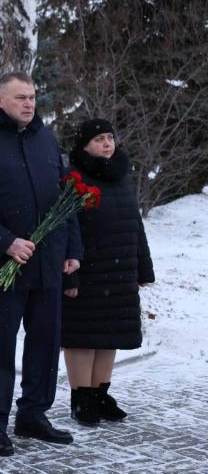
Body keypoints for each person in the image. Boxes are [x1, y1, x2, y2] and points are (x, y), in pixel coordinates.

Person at [0, 72, 82, 457]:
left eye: (33, 97)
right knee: (0, 346)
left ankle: (33, 414)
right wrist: (5, 241)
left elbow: (64, 199)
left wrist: (72, 248)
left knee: (45, 343)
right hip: (1, 267)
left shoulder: (45, 139)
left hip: (48, 264)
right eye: (20, 97)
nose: (29, 103)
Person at [62, 119, 155, 426]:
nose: (107, 143)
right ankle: (81, 397)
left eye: (110, 138)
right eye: (99, 139)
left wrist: (144, 267)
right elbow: (66, 228)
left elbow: (135, 225)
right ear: (84, 145)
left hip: (119, 269)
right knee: (83, 337)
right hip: (87, 270)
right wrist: (70, 275)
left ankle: (101, 394)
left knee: (109, 335)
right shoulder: (72, 177)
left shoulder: (121, 176)